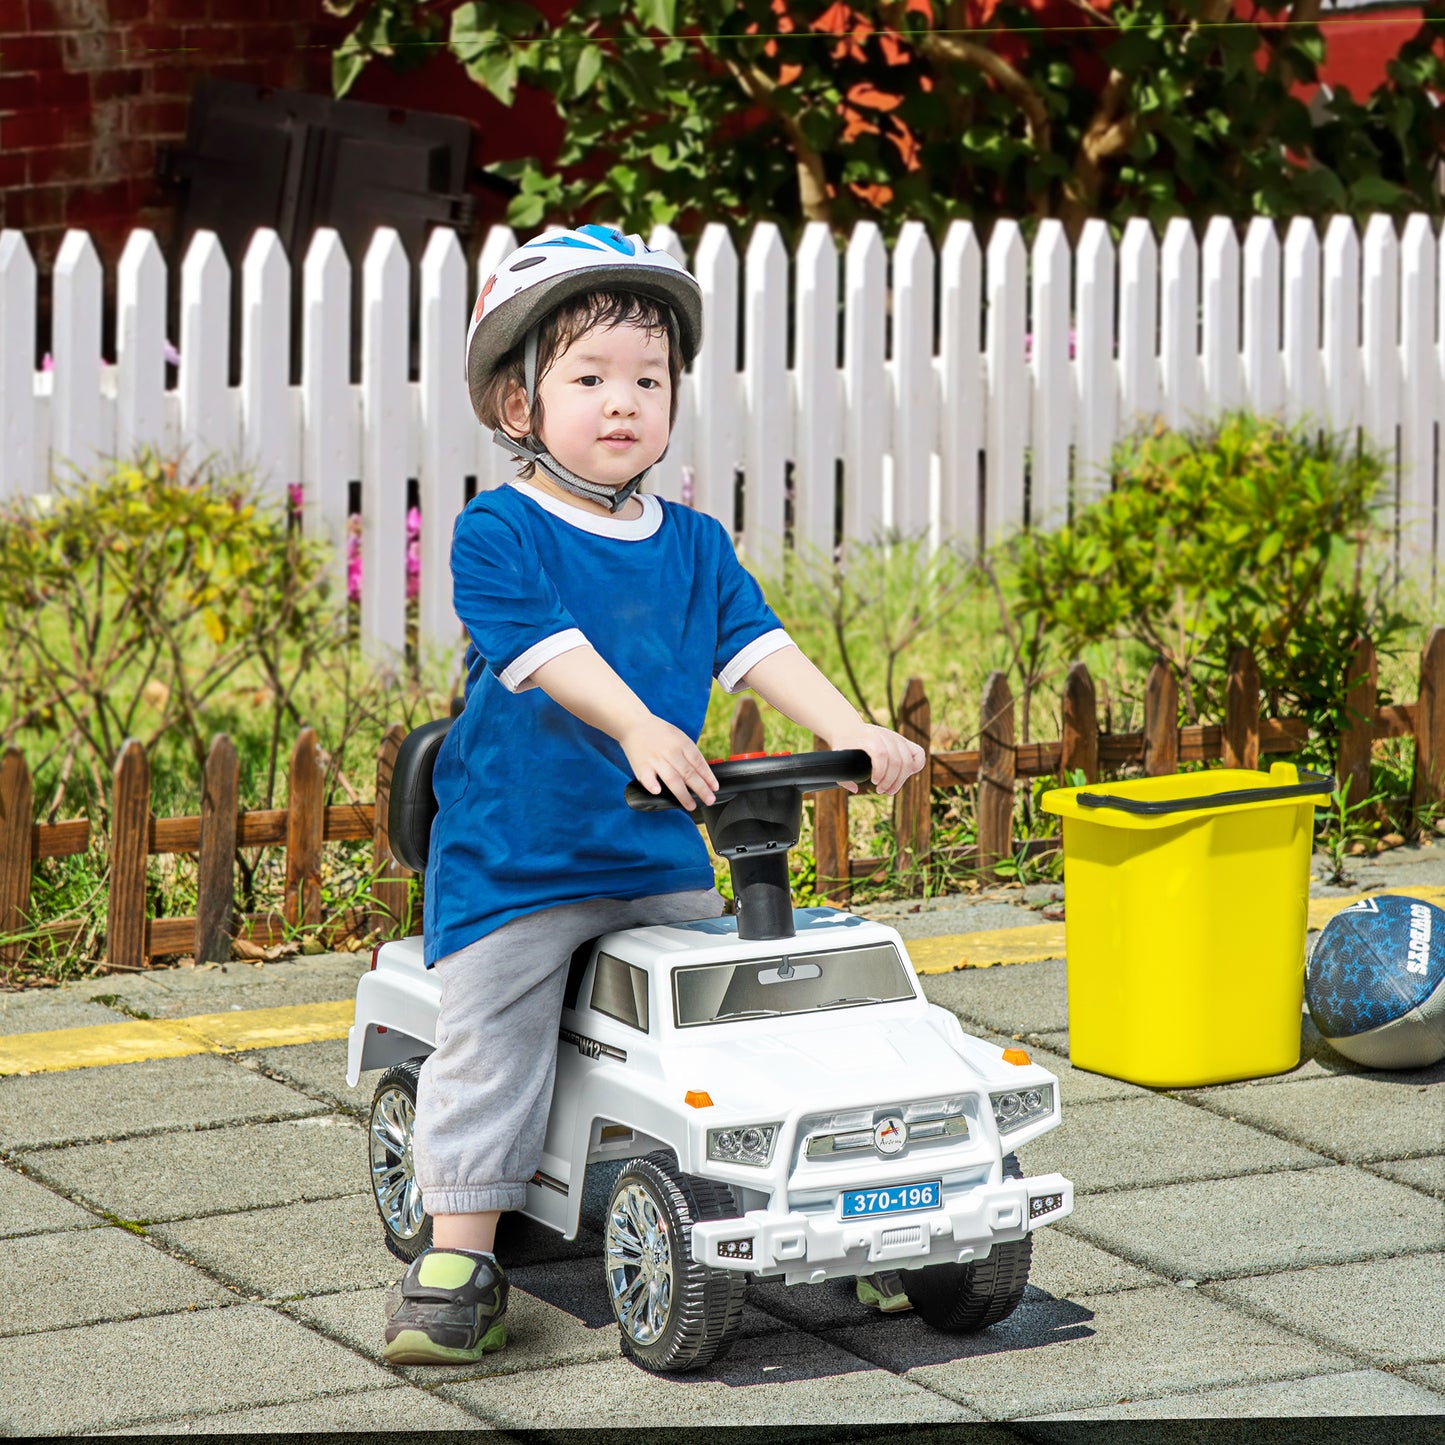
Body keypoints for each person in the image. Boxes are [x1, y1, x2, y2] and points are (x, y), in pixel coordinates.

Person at [381, 224, 926, 1365]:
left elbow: (755, 642)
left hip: (652, 860)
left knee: (750, 1017)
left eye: (647, 378)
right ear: (517, 403)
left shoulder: (690, 541)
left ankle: (825, 1209)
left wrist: (847, 728)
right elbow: (548, 651)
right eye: (587, 378)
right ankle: (461, 1249)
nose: (621, 401)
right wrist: (636, 720)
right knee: (495, 1031)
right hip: (520, 857)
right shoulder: (499, 532)